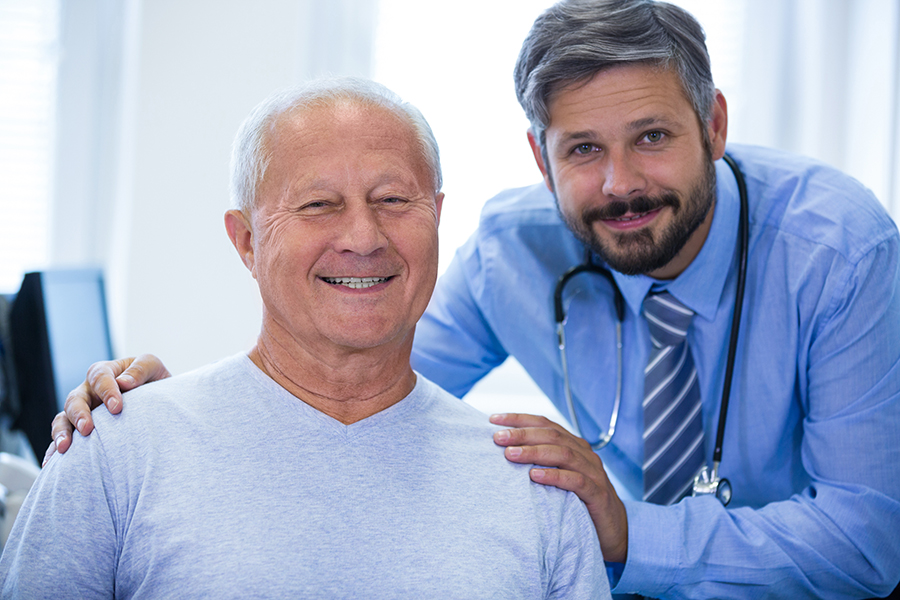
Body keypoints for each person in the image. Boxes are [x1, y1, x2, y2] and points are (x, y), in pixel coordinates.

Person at [46, 0, 900, 598]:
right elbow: (358, 374)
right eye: (583, 150)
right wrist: (182, 419)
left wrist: (630, 534)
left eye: (653, 137)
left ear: (713, 124)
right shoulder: (514, 249)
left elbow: (868, 541)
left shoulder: (839, 251)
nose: (620, 183)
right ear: (540, 157)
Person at [0, 78, 610, 598]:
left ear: (438, 217)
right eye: (319, 204)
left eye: (394, 199)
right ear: (245, 241)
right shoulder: (116, 451)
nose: (364, 237)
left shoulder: (538, 490)